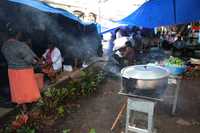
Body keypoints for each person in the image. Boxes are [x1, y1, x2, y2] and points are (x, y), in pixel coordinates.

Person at [1, 31, 40, 112]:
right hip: (23, 71)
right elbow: (30, 59)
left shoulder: (4, 46)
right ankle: (35, 107)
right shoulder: (20, 45)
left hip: (12, 71)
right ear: (18, 35)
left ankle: (24, 108)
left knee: (19, 90)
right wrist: (36, 63)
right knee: (29, 89)